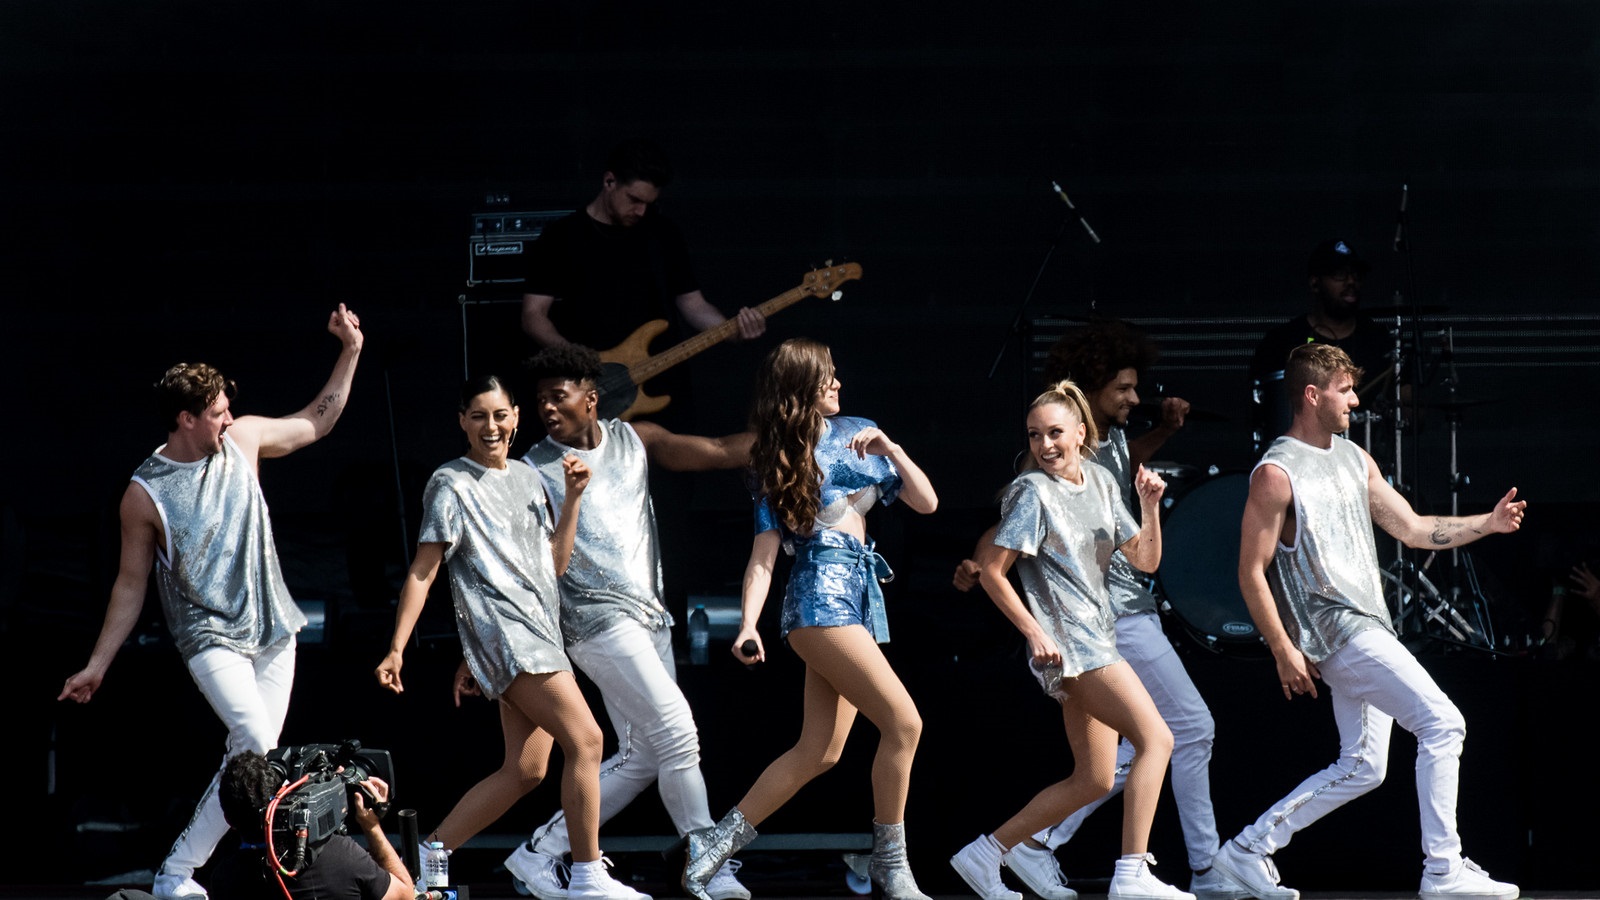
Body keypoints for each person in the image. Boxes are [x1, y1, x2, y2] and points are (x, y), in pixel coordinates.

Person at [59, 305, 365, 900]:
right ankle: (182, 869)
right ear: (186, 419)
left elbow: (315, 421)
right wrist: (97, 664)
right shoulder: (144, 493)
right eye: (218, 413)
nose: (228, 419)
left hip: (273, 627)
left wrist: (350, 351)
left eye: (227, 410)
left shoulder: (243, 440)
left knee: (256, 755)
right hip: (208, 637)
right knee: (253, 738)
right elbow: (130, 585)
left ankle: (191, 871)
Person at [1211, 343, 1524, 900]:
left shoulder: (1355, 458)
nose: (1356, 400)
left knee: (1362, 766)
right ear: (1313, 395)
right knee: (1443, 724)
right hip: (1340, 633)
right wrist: (1283, 649)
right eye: (1346, 389)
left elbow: (1413, 528)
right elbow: (1250, 571)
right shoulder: (1276, 473)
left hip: (1367, 628)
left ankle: (1245, 851)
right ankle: (1443, 870)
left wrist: (1490, 522)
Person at [953, 320, 1240, 900]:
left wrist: (1151, 506)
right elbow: (994, 572)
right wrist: (1034, 632)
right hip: (1072, 646)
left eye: (1055, 433)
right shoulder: (1033, 492)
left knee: (1093, 777)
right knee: (1159, 739)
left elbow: (1146, 560)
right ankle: (1132, 873)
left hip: (1098, 638)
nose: (1045, 445)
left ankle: (985, 854)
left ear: (1081, 433)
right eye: (1035, 435)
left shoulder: (1105, 485)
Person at [677, 338, 939, 900]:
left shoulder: (861, 433)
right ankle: (890, 863)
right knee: (904, 724)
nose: (838, 384)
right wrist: (748, 624)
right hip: (819, 601)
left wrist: (893, 450)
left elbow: (927, 503)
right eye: (827, 378)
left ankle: (712, 847)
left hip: (856, 599)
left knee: (819, 750)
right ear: (800, 389)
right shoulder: (776, 458)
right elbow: (763, 556)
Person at [373, 375, 643, 900]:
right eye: (478, 416)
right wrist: (397, 647)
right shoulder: (450, 482)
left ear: (516, 416)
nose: (491, 426)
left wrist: (572, 498)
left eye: (499, 415)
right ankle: (587, 875)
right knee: (588, 741)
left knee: (525, 770)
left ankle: (425, 859)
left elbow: (553, 566)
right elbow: (424, 571)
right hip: (511, 640)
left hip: (538, 632)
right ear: (462, 421)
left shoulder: (527, 477)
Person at [505, 344, 755, 900]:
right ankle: (707, 861)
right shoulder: (531, 470)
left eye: (558, 396)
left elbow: (718, 451)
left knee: (645, 755)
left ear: (591, 399)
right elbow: (539, 565)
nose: (547, 408)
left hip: (649, 616)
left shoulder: (634, 440)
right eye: (540, 399)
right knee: (678, 731)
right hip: (594, 623)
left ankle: (539, 852)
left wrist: (797, 438)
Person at [520, 137, 764, 355]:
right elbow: (533, 315)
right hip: (594, 381)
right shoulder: (561, 236)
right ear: (609, 181)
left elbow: (693, 305)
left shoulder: (663, 233)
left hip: (661, 376)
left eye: (649, 203)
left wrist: (732, 332)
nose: (641, 211)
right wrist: (577, 359)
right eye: (634, 199)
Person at [1250, 240, 1394, 452]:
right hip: (1298, 459)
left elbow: (1408, 410)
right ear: (1315, 283)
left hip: (1365, 457)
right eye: (1339, 275)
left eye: (1355, 275)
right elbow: (1261, 413)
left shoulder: (1378, 340)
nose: (1351, 281)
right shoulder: (1282, 341)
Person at [210, 750, 410, 900]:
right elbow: (405, 895)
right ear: (280, 798)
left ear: (228, 820)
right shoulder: (343, 856)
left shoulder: (223, 880)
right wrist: (372, 827)